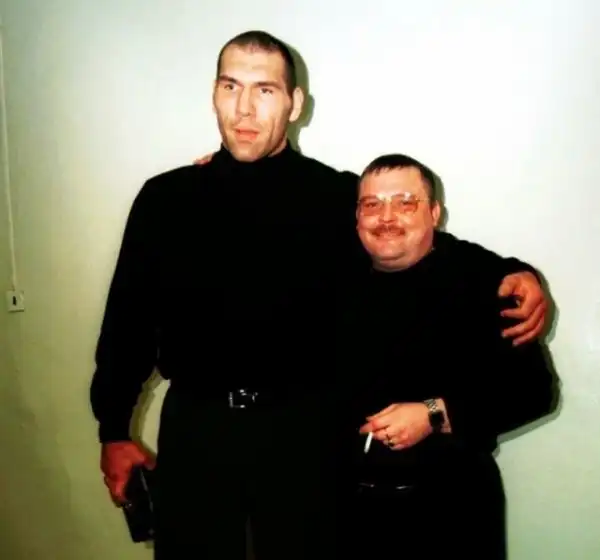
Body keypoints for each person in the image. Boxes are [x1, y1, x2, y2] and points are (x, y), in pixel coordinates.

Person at [90, 30, 550, 559]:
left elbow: (414, 244)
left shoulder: (335, 197)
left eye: (265, 90)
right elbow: (126, 322)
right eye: (231, 86)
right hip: (198, 429)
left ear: (294, 104)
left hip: (304, 434)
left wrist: (515, 273)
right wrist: (113, 429)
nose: (244, 107)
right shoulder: (166, 199)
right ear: (213, 94)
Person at [339, 153, 558, 559]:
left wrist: (434, 414)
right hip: (346, 515)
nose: (386, 217)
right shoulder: (335, 276)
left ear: (435, 213)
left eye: (405, 203)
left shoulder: (485, 282)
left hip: (452, 514)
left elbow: (535, 392)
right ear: (356, 216)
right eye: (372, 204)